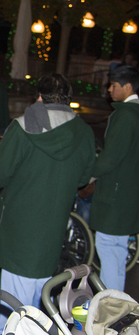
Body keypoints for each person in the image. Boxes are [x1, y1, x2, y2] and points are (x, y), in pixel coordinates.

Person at [0, 74, 95, 335]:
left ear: (40, 96)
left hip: (19, 226)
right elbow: (83, 178)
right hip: (54, 225)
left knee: (14, 303)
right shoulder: (84, 132)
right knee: (39, 296)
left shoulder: (24, 127)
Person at [89, 65, 139, 291]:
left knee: (108, 248)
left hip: (115, 194)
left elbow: (111, 157)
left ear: (128, 87)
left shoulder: (125, 115)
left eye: (114, 85)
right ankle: (118, 302)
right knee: (118, 251)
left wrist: (89, 174)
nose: (109, 89)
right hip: (130, 193)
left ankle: (109, 305)